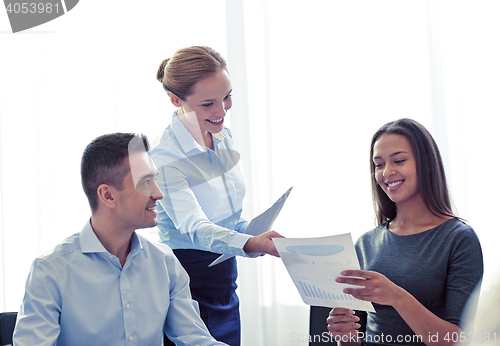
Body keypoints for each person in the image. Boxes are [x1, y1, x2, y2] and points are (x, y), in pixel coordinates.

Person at [12, 133, 228, 346]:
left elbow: (196, 339)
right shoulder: (51, 271)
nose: (159, 193)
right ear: (107, 195)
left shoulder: (165, 263)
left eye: (155, 180)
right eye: (146, 182)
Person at [152, 46, 283, 346]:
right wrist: (249, 243)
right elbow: (193, 227)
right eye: (209, 103)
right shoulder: (164, 156)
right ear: (175, 100)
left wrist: (252, 231)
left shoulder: (222, 134)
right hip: (187, 285)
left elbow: (227, 217)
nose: (222, 111)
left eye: (227, 96)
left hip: (225, 277)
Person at [324, 118, 483, 345]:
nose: (387, 172)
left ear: (427, 163)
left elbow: (458, 341)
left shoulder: (459, 238)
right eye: (379, 165)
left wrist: (397, 297)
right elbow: (356, 340)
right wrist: (345, 335)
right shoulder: (366, 243)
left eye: (398, 160)